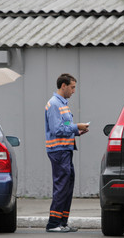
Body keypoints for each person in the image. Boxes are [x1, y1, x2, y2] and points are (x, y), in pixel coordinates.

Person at [44, 73, 89, 233]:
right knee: (62, 186)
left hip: (65, 150)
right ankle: (54, 223)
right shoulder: (54, 104)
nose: (73, 91)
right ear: (63, 86)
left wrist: (77, 131)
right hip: (59, 151)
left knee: (67, 187)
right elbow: (57, 130)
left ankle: (62, 222)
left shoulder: (63, 104)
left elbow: (66, 126)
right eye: (72, 87)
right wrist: (77, 126)